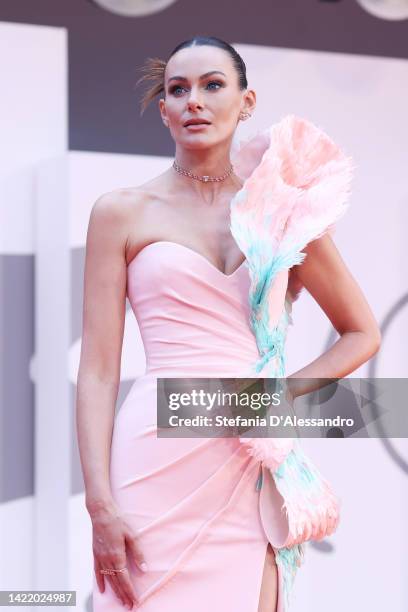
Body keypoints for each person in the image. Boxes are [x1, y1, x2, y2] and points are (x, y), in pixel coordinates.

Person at [76, 36, 381, 612]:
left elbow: (362, 331)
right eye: (178, 89)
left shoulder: (285, 213)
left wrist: (275, 396)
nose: (194, 100)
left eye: (213, 85)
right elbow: (96, 371)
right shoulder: (120, 212)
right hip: (155, 456)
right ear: (163, 109)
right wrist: (99, 504)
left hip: (248, 457)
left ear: (246, 102)